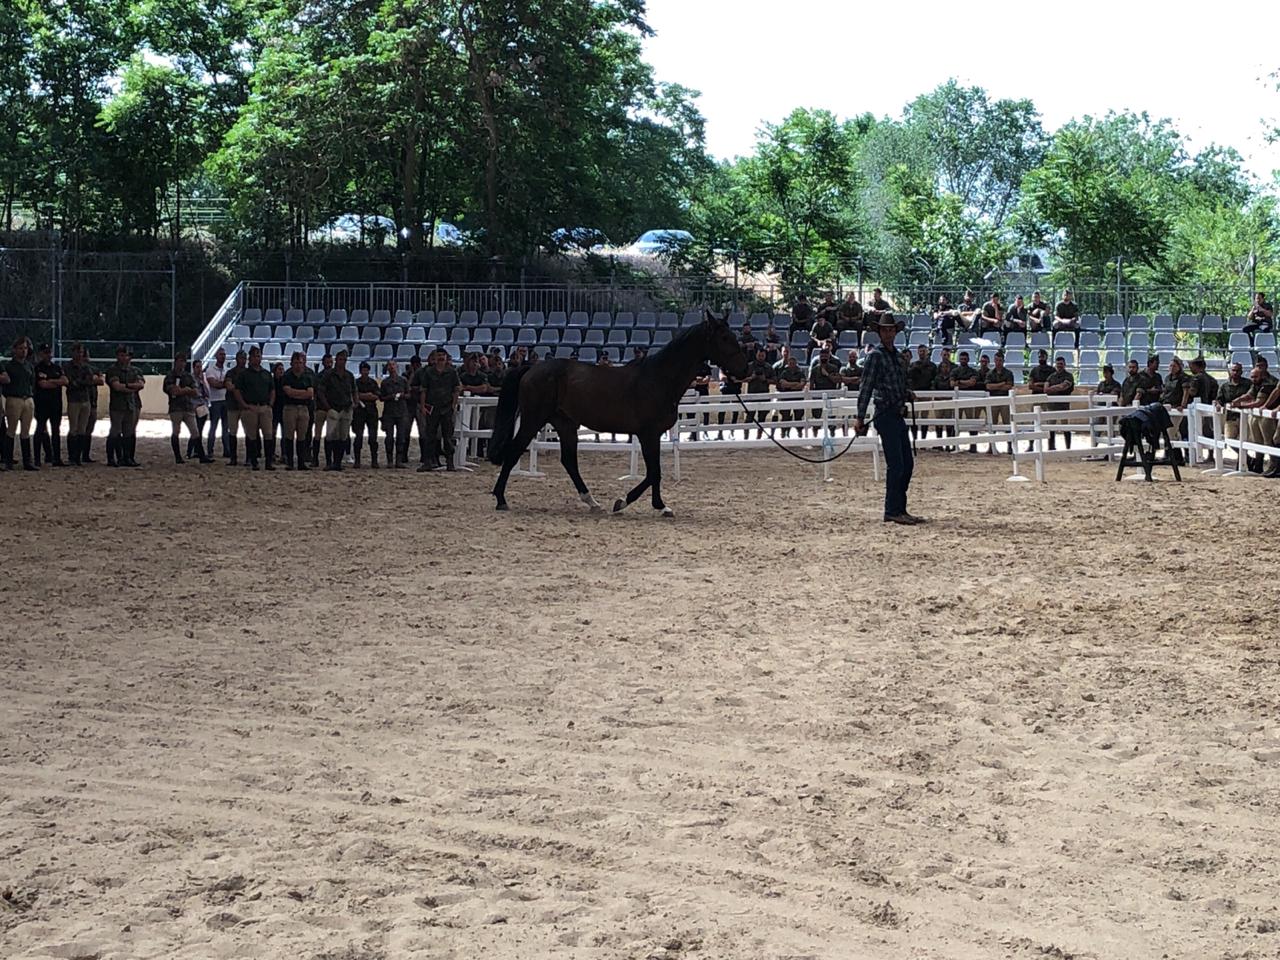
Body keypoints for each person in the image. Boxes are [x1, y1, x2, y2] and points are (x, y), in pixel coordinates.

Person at [855, 315, 921, 525]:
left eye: (891, 330)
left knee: (906, 464)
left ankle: (899, 508)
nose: (888, 333)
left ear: (895, 332)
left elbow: (897, 384)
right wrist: (860, 417)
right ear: (880, 333)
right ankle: (892, 509)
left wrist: (907, 392)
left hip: (897, 413)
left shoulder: (898, 357)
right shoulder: (875, 356)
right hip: (885, 414)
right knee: (897, 464)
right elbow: (866, 388)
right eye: (885, 330)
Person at [416, 348, 462, 471]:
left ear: (447, 357)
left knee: (448, 436)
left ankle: (450, 462)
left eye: (443, 355)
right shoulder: (429, 372)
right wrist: (423, 407)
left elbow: (456, 389)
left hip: (446, 408)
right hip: (432, 408)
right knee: (430, 436)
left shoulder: (452, 372)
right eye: (439, 355)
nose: (441, 357)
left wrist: (453, 405)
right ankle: (428, 462)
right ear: (434, 358)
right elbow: (423, 391)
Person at [163, 352, 212, 465]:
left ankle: (201, 456)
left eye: (183, 361)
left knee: (195, 431)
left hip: (188, 407)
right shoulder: (170, 375)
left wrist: (183, 390)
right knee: (176, 431)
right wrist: (186, 390)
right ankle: (178, 457)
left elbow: (195, 391)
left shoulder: (187, 376)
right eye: (180, 361)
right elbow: (172, 390)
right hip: (176, 408)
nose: (182, 363)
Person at [234, 345, 276, 471]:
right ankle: (254, 461)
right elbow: (237, 390)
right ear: (250, 358)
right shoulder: (244, 374)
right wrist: (244, 405)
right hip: (250, 407)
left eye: (259, 355)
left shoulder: (266, 374)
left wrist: (270, 404)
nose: (257, 358)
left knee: (268, 434)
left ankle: (268, 462)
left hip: (264, 406)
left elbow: (272, 389)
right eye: (255, 356)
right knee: (251, 436)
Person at [1233, 363, 1279, 474]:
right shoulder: (1256, 383)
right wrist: (1238, 400)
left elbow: (1260, 402)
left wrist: (1242, 405)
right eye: (1252, 377)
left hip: (1267, 415)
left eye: (1255, 376)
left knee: (1270, 440)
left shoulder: (1269, 382)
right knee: (1257, 441)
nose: (1253, 379)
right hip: (1259, 413)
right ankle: (1258, 465)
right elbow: (1249, 394)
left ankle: (1274, 465)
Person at [104, 345, 145, 468]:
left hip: (130, 404)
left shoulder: (135, 370)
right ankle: (111, 458)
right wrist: (131, 387)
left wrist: (126, 386)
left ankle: (127, 457)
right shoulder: (113, 370)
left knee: (129, 432)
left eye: (126, 355)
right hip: (117, 405)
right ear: (117, 356)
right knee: (115, 431)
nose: (125, 358)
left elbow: (141, 384)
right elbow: (116, 386)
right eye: (122, 355)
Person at [62, 343, 101, 466]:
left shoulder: (86, 367)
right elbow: (71, 382)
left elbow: (90, 381)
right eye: (77, 352)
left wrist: (81, 382)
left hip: (85, 399)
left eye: (81, 352)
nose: (79, 355)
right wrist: (84, 382)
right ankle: (72, 456)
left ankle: (78, 456)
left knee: (82, 429)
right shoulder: (67, 366)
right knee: (73, 428)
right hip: (74, 399)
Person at [1, 339, 38, 470]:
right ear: (15, 350)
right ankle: (8, 460)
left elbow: (32, 382)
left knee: (26, 431)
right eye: (21, 348)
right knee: (11, 430)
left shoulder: (29, 365)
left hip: (27, 398)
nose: (23, 351)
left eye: (25, 348)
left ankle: (27, 461)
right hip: (14, 398)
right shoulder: (9, 366)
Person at [317, 349, 356, 471]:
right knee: (330, 436)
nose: (342, 362)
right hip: (333, 408)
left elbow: (354, 390)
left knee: (343, 437)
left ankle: (338, 462)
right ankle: (329, 462)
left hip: (346, 408)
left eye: (344, 360)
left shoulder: (349, 375)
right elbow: (321, 391)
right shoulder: (328, 375)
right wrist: (327, 406)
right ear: (336, 360)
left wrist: (354, 403)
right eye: (340, 359)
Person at [33, 342, 67, 467]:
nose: (48, 355)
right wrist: (56, 382)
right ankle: (37, 459)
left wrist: (51, 381)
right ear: (40, 354)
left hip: (55, 403)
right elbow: (42, 384)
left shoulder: (57, 367)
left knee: (56, 431)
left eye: (49, 352)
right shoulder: (38, 368)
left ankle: (56, 458)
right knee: (40, 430)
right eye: (45, 353)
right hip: (42, 404)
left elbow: (65, 381)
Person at [279, 350, 314, 470]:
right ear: (291, 363)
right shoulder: (287, 376)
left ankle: (301, 462)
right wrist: (302, 393)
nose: (298, 364)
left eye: (300, 362)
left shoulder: (308, 376)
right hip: (290, 408)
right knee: (289, 435)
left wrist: (296, 393)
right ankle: (290, 462)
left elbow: (310, 393)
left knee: (302, 436)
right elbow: (288, 392)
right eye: (296, 362)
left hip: (304, 408)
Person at [379, 359, 412, 467]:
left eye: (393, 365)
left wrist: (402, 395)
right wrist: (390, 397)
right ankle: (389, 460)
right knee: (389, 437)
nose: (391, 367)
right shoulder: (385, 382)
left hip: (401, 411)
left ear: (396, 366)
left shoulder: (403, 380)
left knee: (401, 437)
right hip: (389, 412)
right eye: (389, 365)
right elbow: (381, 398)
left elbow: (409, 395)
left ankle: (399, 460)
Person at [984, 350, 1015, 451]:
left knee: (1007, 423)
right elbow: (988, 386)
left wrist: (996, 386)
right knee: (992, 424)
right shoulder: (990, 373)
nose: (998, 362)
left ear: (1003, 361)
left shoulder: (1009, 373)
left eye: (1000, 360)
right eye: (996, 360)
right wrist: (1001, 384)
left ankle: (1010, 446)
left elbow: (1009, 386)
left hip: (1005, 400)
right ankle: (991, 446)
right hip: (993, 400)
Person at [1044, 355, 1076, 450]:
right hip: (1051, 406)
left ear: (1065, 364)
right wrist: (1057, 387)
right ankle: (1051, 447)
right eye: (1058, 364)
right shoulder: (1051, 376)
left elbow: (1064, 387)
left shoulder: (1069, 376)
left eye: (1061, 364)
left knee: (1065, 426)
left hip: (1063, 405)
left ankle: (1068, 448)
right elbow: (1045, 389)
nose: (1059, 366)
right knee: (1051, 427)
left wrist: (1052, 388)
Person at [353, 360, 381, 468]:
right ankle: (357, 460)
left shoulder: (373, 382)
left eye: (366, 370)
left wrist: (362, 396)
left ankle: (374, 460)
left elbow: (377, 396)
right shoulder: (356, 382)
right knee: (358, 436)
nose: (365, 372)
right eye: (363, 370)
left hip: (371, 412)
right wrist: (366, 395)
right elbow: (354, 395)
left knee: (373, 438)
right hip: (359, 412)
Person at [223, 349, 248, 466]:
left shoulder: (248, 373)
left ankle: (248, 458)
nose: (243, 360)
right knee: (232, 432)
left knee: (249, 432)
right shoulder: (230, 373)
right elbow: (228, 386)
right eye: (241, 358)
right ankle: (233, 457)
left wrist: (236, 387)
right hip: (233, 405)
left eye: (244, 358)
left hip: (244, 405)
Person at [743, 347, 773, 439]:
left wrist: (766, 380)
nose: (761, 357)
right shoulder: (750, 366)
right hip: (751, 395)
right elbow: (743, 378)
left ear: (765, 356)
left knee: (762, 418)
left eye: (762, 356)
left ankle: (759, 436)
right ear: (756, 355)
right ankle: (746, 437)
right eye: (759, 355)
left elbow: (775, 380)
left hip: (764, 394)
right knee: (749, 418)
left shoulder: (768, 367)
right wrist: (752, 377)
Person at [775, 352, 806, 436]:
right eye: (790, 363)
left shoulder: (800, 373)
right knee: (785, 416)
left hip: (798, 398)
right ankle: (783, 432)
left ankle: (799, 432)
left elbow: (801, 385)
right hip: (786, 398)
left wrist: (789, 385)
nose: (791, 365)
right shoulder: (784, 373)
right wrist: (795, 384)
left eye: (793, 363)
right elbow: (783, 383)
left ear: (796, 364)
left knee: (798, 416)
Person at [1216, 362, 1249, 442]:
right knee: (1229, 440)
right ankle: (1245, 455)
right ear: (1230, 371)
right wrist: (1218, 404)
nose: (1235, 373)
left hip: (1245, 417)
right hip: (1231, 417)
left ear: (1241, 372)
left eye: (1238, 370)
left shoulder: (1248, 384)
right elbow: (1219, 399)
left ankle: (1244, 455)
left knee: (1245, 441)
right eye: (1233, 370)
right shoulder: (1224, 386)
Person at [205, 346, 229, 458]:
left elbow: (218, 384)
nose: (223, 357)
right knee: (214, 426)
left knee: (225, 427)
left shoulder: (226, 369)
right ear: (216, 356)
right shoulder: (210, 370)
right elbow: (214, 384)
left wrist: (221, 384)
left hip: (224, 400)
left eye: (224, 354)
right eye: (221, 354)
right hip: (215, 401)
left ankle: (226, 450)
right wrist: (225, 384)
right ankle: (210, 450)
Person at [312, 352, 334, 467]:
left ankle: (328, 460)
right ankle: (315, 459)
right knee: (317, 435)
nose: (329, 364)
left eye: (331, 362)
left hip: (331, 408)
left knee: (329, 435)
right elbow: (316, 393)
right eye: (327, 362)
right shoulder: (319, 377)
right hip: (321, 408)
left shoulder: (335, 376)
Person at [188, 361, 211, 460]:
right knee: (196, 430)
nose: (199, 369)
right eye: (197, 367)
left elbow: (207, 392)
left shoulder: (202, 379)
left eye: (200, 367)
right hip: (195, 405)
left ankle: (196, 450)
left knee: (199, 429)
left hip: (202, 406)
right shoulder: (190, 379)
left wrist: (203, 381)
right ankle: (191, 450)